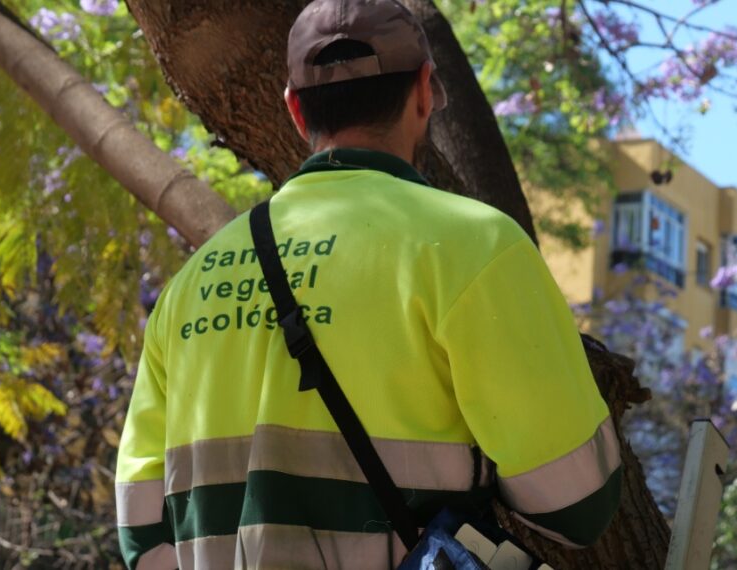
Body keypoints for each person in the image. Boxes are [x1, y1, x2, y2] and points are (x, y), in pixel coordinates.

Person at [115, 0, 621, 568]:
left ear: (295, 112)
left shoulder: (189, 285)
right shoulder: (478, 247)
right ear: (425, 91)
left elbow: (142, 536)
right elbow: (576, 507)